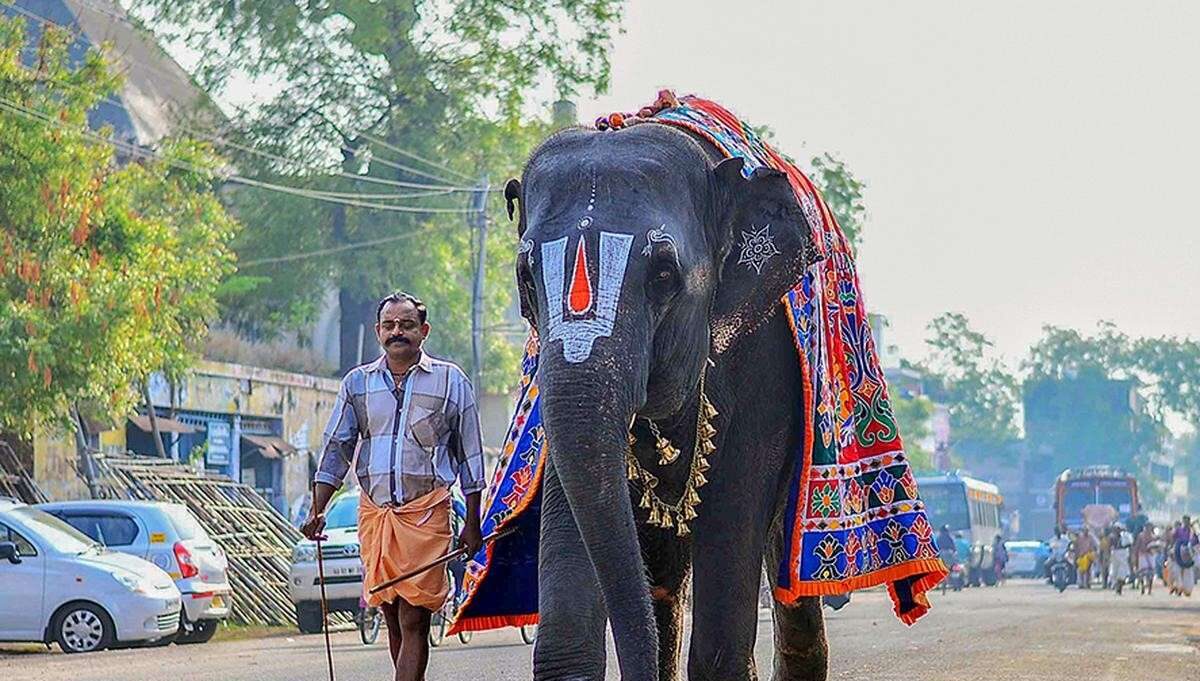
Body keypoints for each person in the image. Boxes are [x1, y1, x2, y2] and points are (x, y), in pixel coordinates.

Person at [302, 292, 486, 681]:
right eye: (389, 325)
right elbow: (338, 448)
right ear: (378, 332)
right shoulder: (357, 384)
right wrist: (317, 509)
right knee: (393, 617)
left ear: (424, 331)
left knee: (413, 617)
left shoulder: (451, 381)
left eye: (406, 325)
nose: (397, 332)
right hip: (376, 515)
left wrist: (472, 523)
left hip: (427, 513)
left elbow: (470, 456)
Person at [1169, 516, 1197, 597]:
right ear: (1183, 521)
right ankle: (1178, 587)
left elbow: (1195, 542)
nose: (1186, 523)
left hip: (1188, 554)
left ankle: (1187, 589)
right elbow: (1172, 538)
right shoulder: (1178, 530)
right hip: (1178, 552)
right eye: (1185, 521)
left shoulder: (1192, 532)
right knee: (1177, 571)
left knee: (1188, 572)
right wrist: (1173, 549)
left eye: (1187, 521)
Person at [1133, 522, 1157, 595]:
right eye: (1147, 527)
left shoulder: (1153, 537)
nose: (1148, 529)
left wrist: (1152, 549)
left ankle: (1149, 589)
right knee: (1142, 573)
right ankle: (1143, 587)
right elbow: (1137, 546)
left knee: (1151, 573)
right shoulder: (1141, 536)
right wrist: (1135, 555)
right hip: (1142, 555)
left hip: (1150, 555)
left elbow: (1156, 546)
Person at [1108, 524, 1132, 595]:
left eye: (1118, 529)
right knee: (1114, 572)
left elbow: (1129, 545)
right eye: (1116, 529)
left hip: (1123, 553)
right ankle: (1116, 587)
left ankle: (1119, 589)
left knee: (1122, 572)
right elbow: (1110, 546)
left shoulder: (1125, 537)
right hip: (1115, 554)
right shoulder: (1112, 537)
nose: (1117, 530)